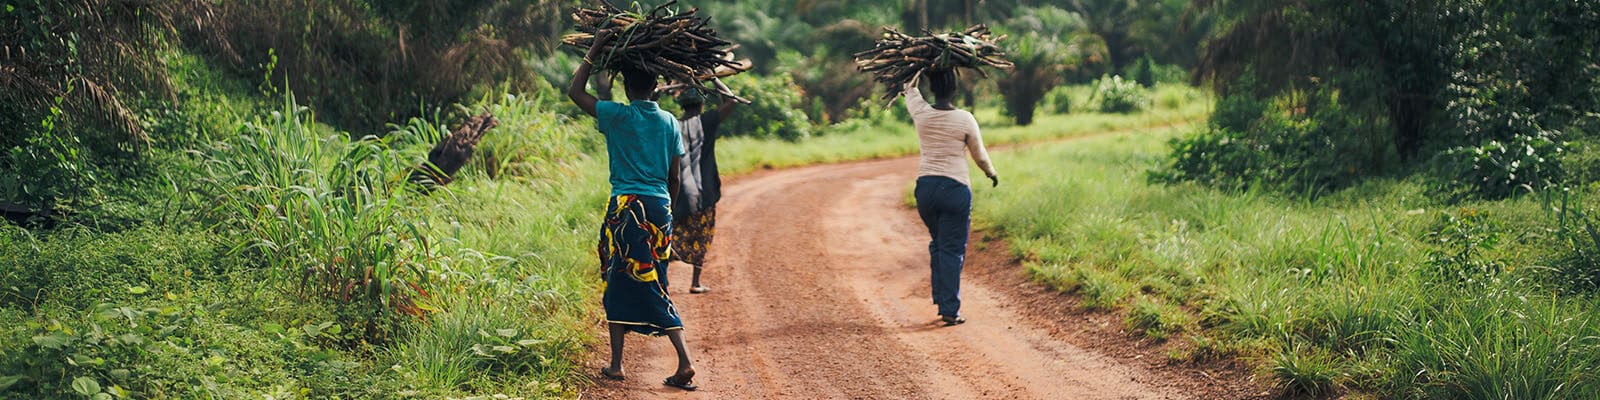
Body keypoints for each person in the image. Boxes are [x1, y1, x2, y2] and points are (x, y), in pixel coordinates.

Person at [568, 31, 697, 391]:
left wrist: (593, 51)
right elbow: (674, 176)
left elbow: (575, 93)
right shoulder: (670, 122)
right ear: (656, 86)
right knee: (646, 279)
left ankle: (682, 362)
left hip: (627, 209)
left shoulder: (617, 116)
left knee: (626, 280)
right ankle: (616, 364)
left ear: (626, 87)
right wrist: (665, 210)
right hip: (659, 209)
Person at [904, 69, 999, 326]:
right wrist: (991, 173)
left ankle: (941, 298)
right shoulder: (965, 119)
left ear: (933, 88)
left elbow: (908, 88)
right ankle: (949, 308)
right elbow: (979, 155)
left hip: (926, 190)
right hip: (955, 190)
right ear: (954, 89)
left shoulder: (921, 113)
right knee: (951, 249)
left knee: (939, 243)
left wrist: (919, 69)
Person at [671, 87, 738, 294]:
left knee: (673, 233)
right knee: (702, 234)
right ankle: (695, 282)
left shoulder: (672, 124)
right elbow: (732, 101)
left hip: (678, 192)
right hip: (704, 190)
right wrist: (714, 80)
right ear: (701, 104)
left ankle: (663, 282)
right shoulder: (707, 121)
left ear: (682, 105)